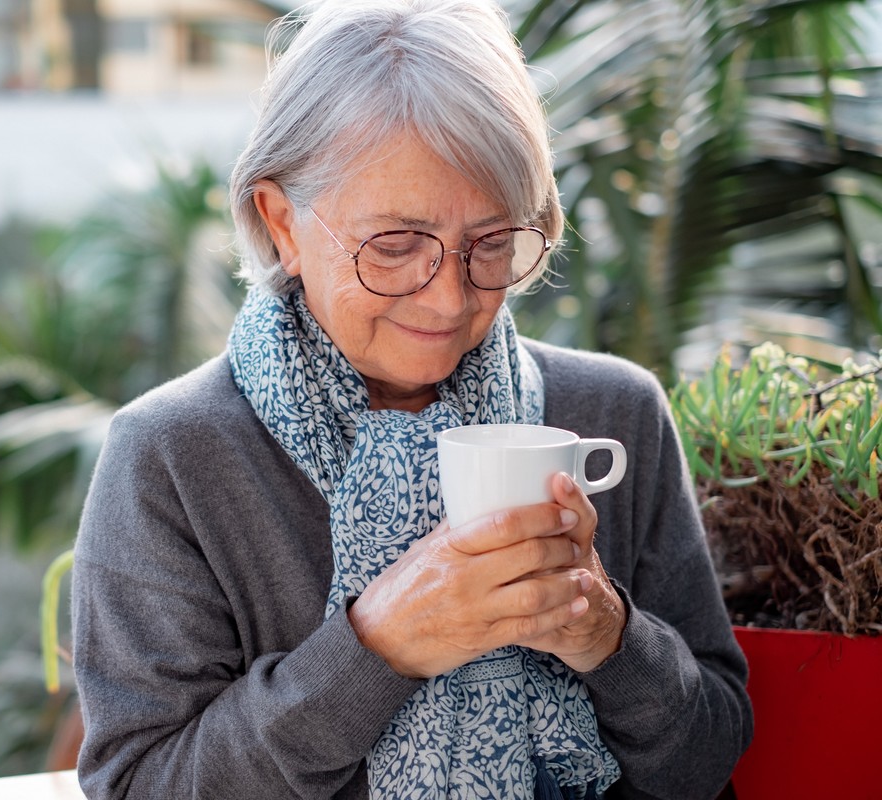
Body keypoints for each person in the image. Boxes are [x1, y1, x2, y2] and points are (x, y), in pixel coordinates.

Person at [70, 0, 753, 797]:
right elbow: (138, 785)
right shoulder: (173, 457)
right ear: (282, 223)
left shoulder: (612, 415)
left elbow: (710, 757)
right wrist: (378, 646)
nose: (448, 299)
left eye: (490, 244)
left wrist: (609, 633)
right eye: (394, 246)